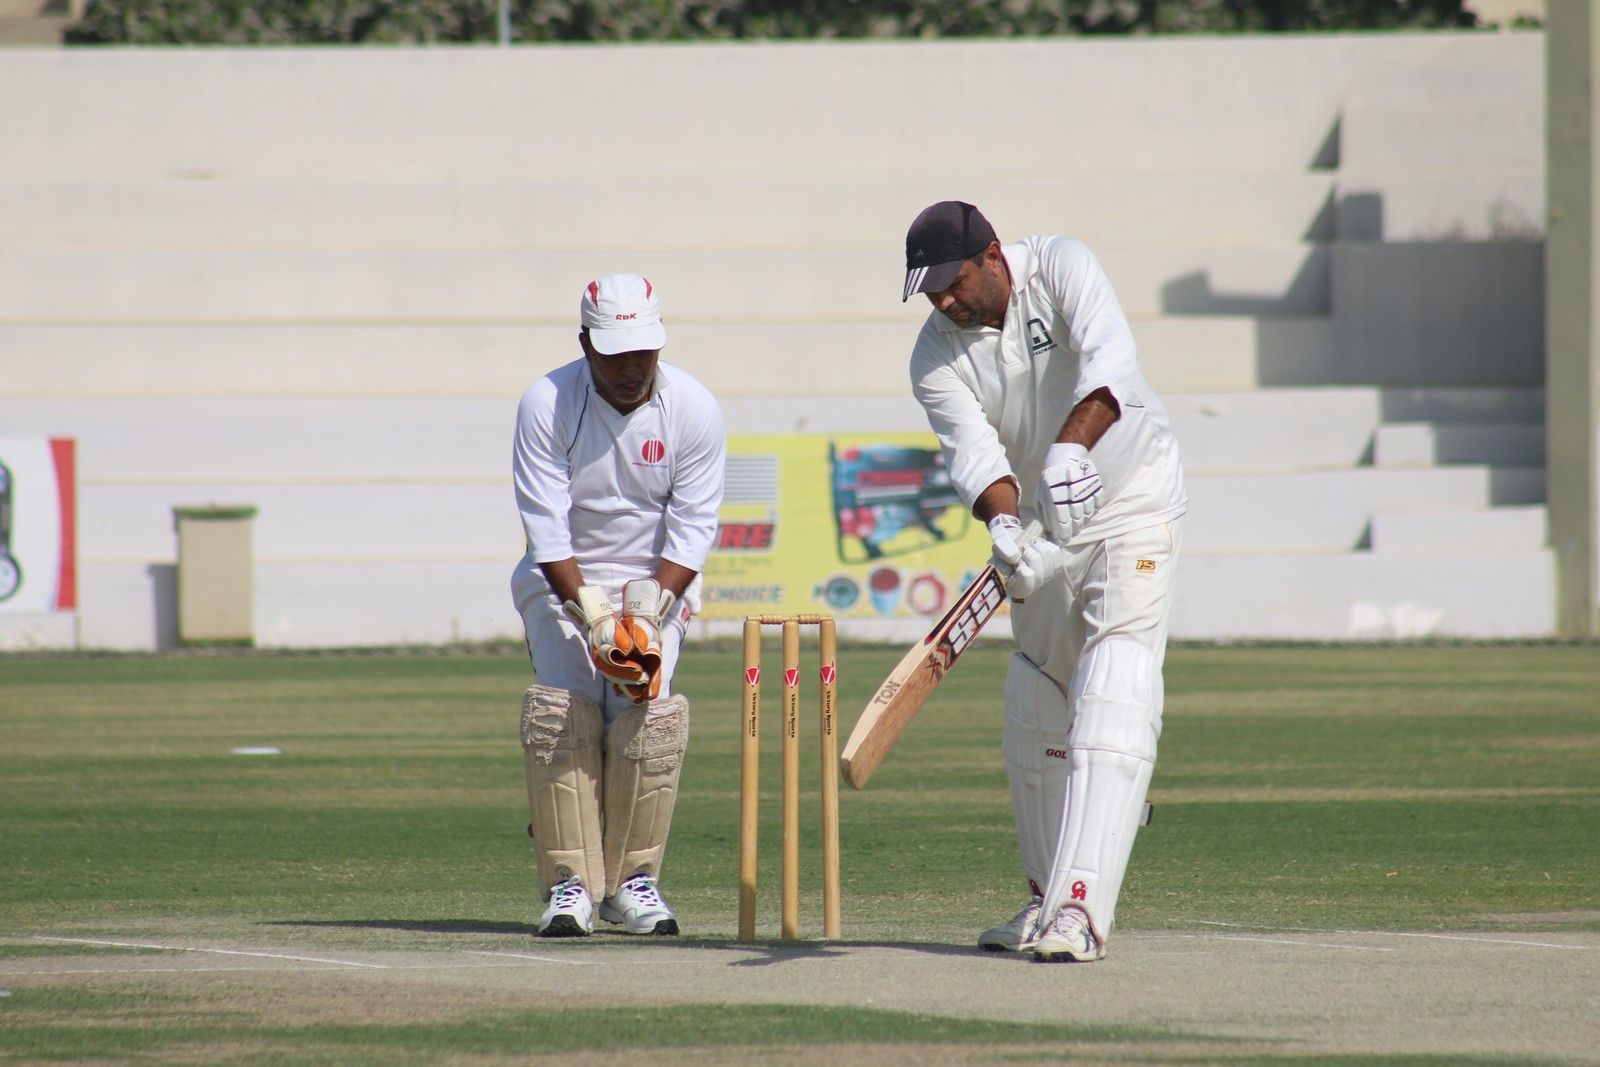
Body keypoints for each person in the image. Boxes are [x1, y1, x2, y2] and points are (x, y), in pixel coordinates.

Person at [900, 201, 1187, 962]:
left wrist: (1069, 451)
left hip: (1131, 502)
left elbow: (1111, 365)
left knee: (1115, 682)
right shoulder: (933, 356)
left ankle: (1081, 910)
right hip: (1044, 526)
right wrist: (1004, 527)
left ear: (993, 255)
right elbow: (975, 454)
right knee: (1036, 696)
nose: (944, 301)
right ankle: (1043, 895)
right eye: (930, 290)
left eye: (954, 282)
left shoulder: (1062, 266)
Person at [510, 272, 726, 938]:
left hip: (655, 586)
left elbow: (694, 527)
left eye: (644, 352)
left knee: (644, 719)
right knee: (564, 717)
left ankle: (634, 883)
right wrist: (595, 616)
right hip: (564, 584)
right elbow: (546, 529)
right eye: (616, 354)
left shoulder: (693, 406)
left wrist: (649, 611)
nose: (632, 369)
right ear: (585, 343)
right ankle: (570, 885)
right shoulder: (547, 403)